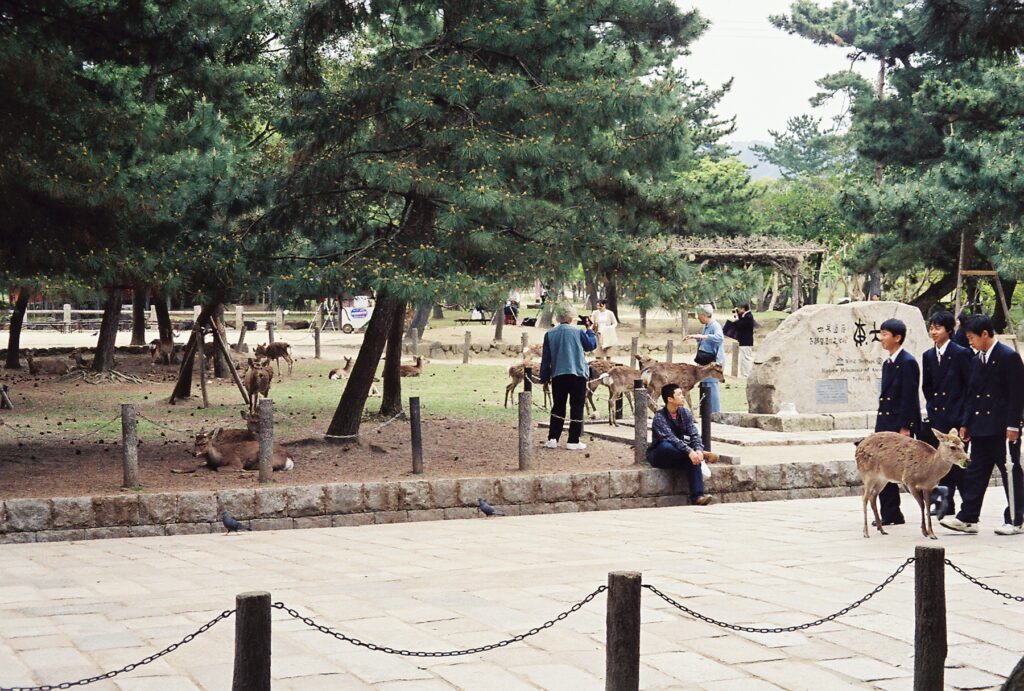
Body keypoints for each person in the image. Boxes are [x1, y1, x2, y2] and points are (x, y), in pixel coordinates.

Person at [941, 315, 1024, 535]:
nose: (970, 342)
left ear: (985, 334)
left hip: (1003, 428)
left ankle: (1016, 519)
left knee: (1010, 472)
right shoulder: (977, 359)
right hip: (980, 427)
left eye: (971, 337)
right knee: (975, 473)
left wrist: (1014, 425)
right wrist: (966, 423)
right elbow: (972, 394)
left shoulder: (1008, 357)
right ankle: (968, 517)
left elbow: (1017, 394)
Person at [920, 310, 972, 518]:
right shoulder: (928, 355)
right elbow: (927, 387)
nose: (933, 332)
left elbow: (968, 387)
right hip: (938, 417)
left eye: (938, 328)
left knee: (959, 462)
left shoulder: (961, 353)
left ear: (949, 330)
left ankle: (968, 508)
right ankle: (944, 503)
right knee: (940, 462)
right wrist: (932, 407)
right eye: (931, 327)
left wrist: (964, 419)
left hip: (957, 417)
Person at [874, 318, 922, 526]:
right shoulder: (888, 363)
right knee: (883, 468)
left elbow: (909, 397)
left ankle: (893, 512)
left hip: (897, 425)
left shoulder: (908, 362)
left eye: (885, 334)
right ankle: (891, 512)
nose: (881, 339)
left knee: (894, 469)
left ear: (897, 337)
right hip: (884, 424)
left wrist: (905, 428)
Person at [539, 304, 597, 450]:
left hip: (558, 374)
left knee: (558, 406)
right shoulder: (578, 332)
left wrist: (544, 377)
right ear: (571, 318)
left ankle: (553, 438)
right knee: (576, 406)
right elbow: (591, 345)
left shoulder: (550, 334)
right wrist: (589, 330)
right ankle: (573, 440)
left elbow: (546, 358)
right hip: (577, 374)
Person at [647, 384, 715, 505]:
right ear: (670, 399)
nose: (683, 396)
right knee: (666, 445)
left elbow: (694, 433)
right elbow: (671, 439)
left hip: (681, 454)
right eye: (679, 394)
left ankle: (698, 497)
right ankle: (702, 455)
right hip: (661, 456)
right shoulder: (659, 417)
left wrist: (698, 450)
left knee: (694, 460)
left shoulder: (685, 413)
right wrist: (690, 451)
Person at [688, 305, 725, 413]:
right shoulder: (706, 326)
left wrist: (704, 337)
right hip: (704, 360)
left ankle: (714, 412)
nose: (698, 318)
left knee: (711, 384)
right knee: (704, 383)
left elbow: (719, 338)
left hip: (713, 361)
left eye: (699, 315)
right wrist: (697, 338)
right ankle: (705, 411)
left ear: (704, 315)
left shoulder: (715, 325)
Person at [726, 303, 755, 378]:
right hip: (744, 341)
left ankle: (747, 375)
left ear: (743, 309)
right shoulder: (745, 316)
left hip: (746, 341)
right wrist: (738, 314)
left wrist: (736, 316)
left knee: (746, 359)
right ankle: (744, 374)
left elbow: (739, 324)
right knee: (743, 359)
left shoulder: (748, 316)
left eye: (739, 309)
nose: (738, 310)